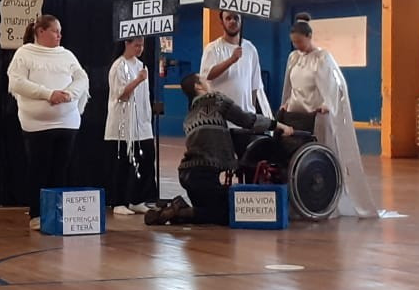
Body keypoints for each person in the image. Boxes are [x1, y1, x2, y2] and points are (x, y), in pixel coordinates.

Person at [147, 73, 292, 227]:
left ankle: (179, 209)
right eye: (204, 79)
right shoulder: (216, 100)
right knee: (227, 213)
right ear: (198, 86)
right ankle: (179, 212)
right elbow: (247, 120)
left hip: (187, 174)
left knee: (205, 212)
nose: (209, 81)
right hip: (204, 174)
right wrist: (277, 125)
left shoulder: (189, 117)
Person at [279, 12, 379, 218]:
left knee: (319, 156)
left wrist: (327, 104)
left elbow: (335, 86)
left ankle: (323, 198)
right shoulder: (294, 58)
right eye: (294, 42)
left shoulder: (323, 58)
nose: (297, 46)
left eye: (300, 42)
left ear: (309, 37)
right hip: (296, 114)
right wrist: (286, 101)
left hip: (315, 116)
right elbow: (290, 85)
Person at [7, 15, 89, 230]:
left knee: (60, 170)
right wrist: (48, 94)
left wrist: (69, 94)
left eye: (60, 32)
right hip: (37, 125)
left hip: (67, 122)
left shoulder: (67, 55)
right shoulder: (24, 53)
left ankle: (57, 214)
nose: (59, 35)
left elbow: (82, 78)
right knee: (38, 170)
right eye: (55, 31)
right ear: (40, 31)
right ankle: (37, 214)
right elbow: (17, 82)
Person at [104, 37, 157, 216]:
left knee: (146, 160)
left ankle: (137, 199)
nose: (140, 49)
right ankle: (118, 202)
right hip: (123, 122)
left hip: (142, 123)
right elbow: (121, 95)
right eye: (136, 45)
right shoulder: (118, 66)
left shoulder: (142, 66)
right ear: (126, 44)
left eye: (142, 45)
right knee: (123, 164)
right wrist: (137, 80)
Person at [199, 10, 272, 118]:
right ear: (221, 22)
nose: (232, 21)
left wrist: (251, 112)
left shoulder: (250, 49)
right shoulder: (212, 48)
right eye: (228, 18)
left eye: (236, 18)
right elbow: (206, 77)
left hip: (245, 117)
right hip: (220, 118)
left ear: (241, 21)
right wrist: (231, 60)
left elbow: (255, 85)